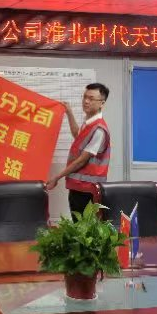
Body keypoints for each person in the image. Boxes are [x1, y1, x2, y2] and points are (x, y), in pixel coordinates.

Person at [46, 83, 111, 219]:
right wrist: (69, 112)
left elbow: (81, 161)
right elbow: (78, 134)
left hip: (88, 190)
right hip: (78, 186)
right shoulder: (89, 123)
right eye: (85, 97)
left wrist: (57, 177)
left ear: (102, 103)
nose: (86, 101)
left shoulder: (99, 129)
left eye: (91, 98)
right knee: (77, 224)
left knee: (84, 227)